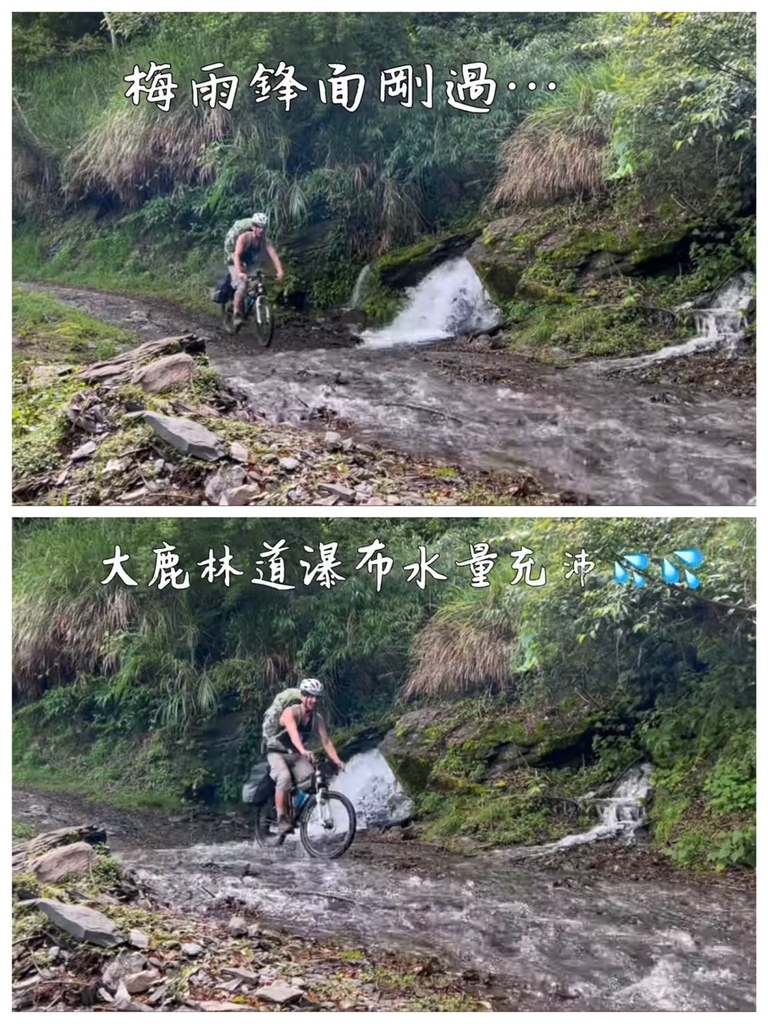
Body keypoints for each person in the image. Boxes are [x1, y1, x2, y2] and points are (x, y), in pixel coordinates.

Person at [266, 678, 345, 835]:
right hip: (278, 753)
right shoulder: (290, 712)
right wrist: (303, 750)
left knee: (312, 781)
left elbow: (326, 741)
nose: (313, 700)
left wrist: (337, 760)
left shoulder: (318, 719)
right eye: (309, 695)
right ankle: (281, 818)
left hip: (295, 755)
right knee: (284, 777)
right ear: (302, 696)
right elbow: (294, 734)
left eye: (316, 697)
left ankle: (296, 809)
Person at [229, 212, 284, 328]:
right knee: (242, 286)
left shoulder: (265, 241)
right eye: (258, 226)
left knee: (257, 283)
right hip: (236, 263)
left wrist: (279, 271)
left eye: (263, 227)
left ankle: (252, 308)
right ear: (253, 227)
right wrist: (240, 272)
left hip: (250, 264)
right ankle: (237, 315)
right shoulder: (244, 237)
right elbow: (237, 256)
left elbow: (274, 256)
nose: (261, 230)